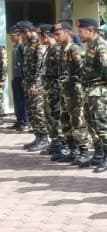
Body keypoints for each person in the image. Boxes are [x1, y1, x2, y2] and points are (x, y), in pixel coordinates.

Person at [77, 18, 107, 173]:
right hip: (89, 91)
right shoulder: (91, 46)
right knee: (92, 124)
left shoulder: (101, 47)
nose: (79, 34)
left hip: (99, 92)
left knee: (103, 125)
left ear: (91, 30)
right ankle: (98, 154)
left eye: (81, 31)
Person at [53, 20, 90, 165]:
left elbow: (83, 72)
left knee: (78, 121)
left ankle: (84, 151)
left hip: (75, 92)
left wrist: (71, 79)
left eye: (58, 34)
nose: (55, 37)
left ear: (68, 33)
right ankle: (72, 149)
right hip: (65, 92)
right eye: (54, 34)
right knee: (65, 121)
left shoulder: (75, 50)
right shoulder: (62, 49)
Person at [19, 20, 48, 152]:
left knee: (38, 112)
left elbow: (40, 65)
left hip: (36, 85)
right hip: (29, 83)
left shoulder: (38, 44)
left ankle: (44, 139)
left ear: (26, 31)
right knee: (31, 112)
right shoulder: (29, 44)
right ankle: (38, 137)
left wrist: (35, 84)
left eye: (22, 34)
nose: (21, 37)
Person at [40, 25, 66, 159]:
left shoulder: (56, 50)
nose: (39, 39)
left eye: (41, 36)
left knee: (56, 116)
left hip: (55, 88)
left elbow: (61, 71)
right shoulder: (49, 49)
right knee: (49, 116)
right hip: (49, 88)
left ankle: (61, 144)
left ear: (45, 35)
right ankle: (55, 142)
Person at [10, 26, 29, 131]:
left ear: (19, 35)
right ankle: (19, 120)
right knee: (17, 100)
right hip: (16, 77)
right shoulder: (15, 46)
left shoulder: (22, 46)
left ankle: (25, 121)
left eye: (13, 36)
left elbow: (25, 63)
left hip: (22, 77)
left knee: (23, 100)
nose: (11, 38)